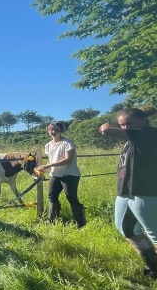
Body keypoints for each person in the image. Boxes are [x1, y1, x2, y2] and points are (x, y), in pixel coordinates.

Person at [99, 106, 157, 278]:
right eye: (122, 125)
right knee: (126, 229)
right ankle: (154, 265)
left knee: (154, 233)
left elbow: (107, 129)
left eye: (129, 123)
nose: (125, 128)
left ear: (143, 121)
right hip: (126, 190)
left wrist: (106, 125)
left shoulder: (150, 134)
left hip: (146, 191)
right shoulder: (132, 139)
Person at [35, 121, 86, 227]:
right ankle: (52, 220)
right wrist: (45, 168)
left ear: (61, 131)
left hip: (69, 175)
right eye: (51, 129)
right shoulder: (48, 145)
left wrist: (48, 166)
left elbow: (68, 160)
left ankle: (81, 223)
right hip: (55, 175)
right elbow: (52, 160)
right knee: (52, 196)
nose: (53, 132)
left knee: (71, 197)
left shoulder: (67, 143)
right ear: (48, 131)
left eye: (57, 130)